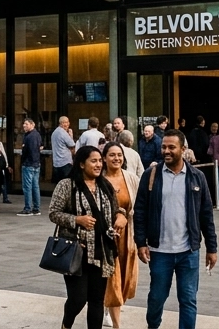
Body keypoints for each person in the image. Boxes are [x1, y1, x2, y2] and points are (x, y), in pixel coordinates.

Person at [132, 130, 218, 329]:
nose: (166, 151)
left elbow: (206, 215)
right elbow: (140, 211)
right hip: (159, 251)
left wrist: (212, 248)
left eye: (172, 147)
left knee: (188, 299)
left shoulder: (197, 177)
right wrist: (140, 243)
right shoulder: (150, 175)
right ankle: (153, 325)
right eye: (164, 147)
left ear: (183, 149)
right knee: (157, 297)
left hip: (188, 251)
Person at [49, 145, 119, 329]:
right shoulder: (67, 185)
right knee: (78, 298)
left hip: (101, 251)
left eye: (100, 161)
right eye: (93, 161)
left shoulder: (105, 185)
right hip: (76, 251)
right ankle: (66, 324)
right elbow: (53, 213)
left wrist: (120, 216)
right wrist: (76, 220)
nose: (98, 165)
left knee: (97, 300)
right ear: (81, 164)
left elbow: (116, 209)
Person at [102, 142, 139, 329]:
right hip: (105, 238)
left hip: (127, 237)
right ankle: (117, 324)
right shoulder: (99, 179)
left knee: (125, 278)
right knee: (113, 278)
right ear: (104, 158)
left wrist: (127, 217)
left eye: (119, 155)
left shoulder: (131, 178)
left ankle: (106, 307)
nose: (116, 158)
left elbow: (139, 206)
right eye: (112, 155)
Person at [19, 118, 43, 215]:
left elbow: (28, 151)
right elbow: (41, 147)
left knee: (27, 187)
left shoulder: (29, 136)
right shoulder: (37, 135)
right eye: (24, 123)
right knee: (35, 186)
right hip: (36, 164)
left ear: (32, 125)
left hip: (29, 164)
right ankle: (36, 208)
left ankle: (28, 208)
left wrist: (23, 160)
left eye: (26, 124)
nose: (24, 125)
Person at [53, 116, 77, 182]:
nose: (66, 124)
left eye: (67, 122)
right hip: (65, 163)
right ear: (60, 123)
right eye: (64, 122)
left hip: (56, 163)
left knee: (59, 184)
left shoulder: (54, 132)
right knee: (67, 183)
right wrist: (71, 135)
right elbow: (72, 144)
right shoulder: (63, 133)